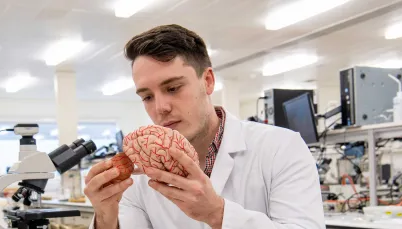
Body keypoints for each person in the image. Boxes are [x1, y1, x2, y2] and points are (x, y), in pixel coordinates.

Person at [84, 24, 325, 229]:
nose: (161, 107)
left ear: (207, 81)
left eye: (173, 88)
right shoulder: (139, 176)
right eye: (147, 96)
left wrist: (217, 214)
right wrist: (106, 218)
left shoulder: (281, 148)